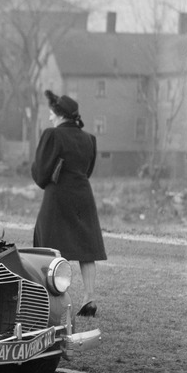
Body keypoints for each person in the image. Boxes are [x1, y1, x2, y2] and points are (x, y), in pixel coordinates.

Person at [31, 89, 107, 318]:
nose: (50, 118)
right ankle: (89, 297)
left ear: (59, 114)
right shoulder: (89, 139)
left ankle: (49, 300)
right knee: (87, 249)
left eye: (52, 114)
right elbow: (88, 170)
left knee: (48, 248)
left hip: (57, 197)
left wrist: (43, 174)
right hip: (83, 195)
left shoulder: (52, 135)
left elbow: (41, 174)